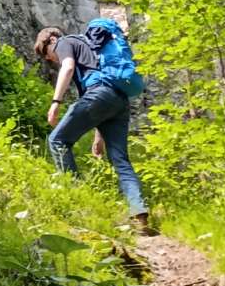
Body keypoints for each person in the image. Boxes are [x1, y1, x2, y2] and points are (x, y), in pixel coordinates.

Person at [34, 25, 150, 232]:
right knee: (120, 159)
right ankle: (139, 213)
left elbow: (68, 67)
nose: (50, 59)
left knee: (57, 140)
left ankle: (77, 198)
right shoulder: (90, 47)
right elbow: (101, 97)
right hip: (119, 101)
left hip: (99, 94)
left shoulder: (64, 42)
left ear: (51, 40)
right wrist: (99, 137)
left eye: (46, 54)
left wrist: (55, 102)